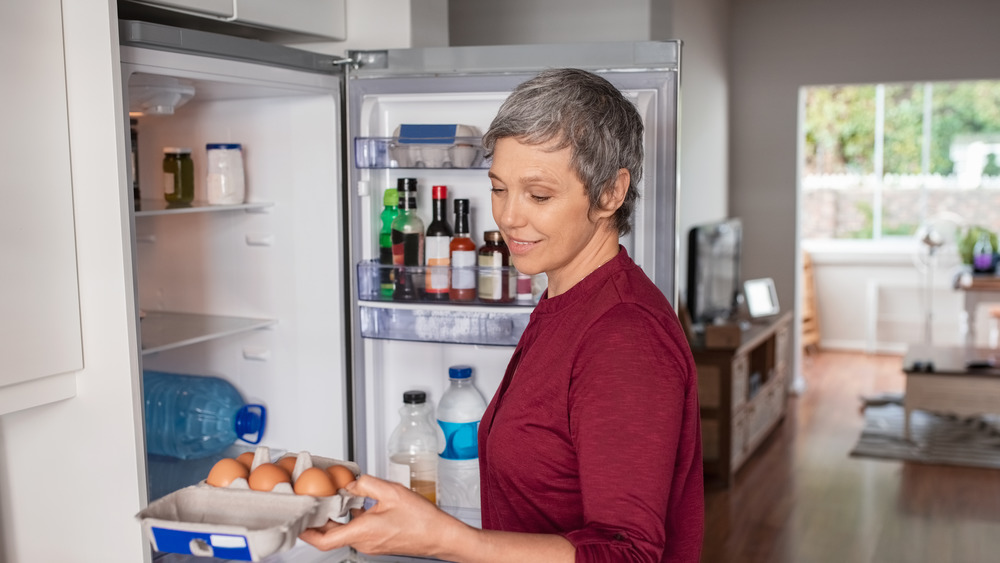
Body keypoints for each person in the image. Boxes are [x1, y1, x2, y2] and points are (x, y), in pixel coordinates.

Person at [300, 68, 704, 562]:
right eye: (498, 188)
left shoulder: (625, 338)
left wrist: (445, 539)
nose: (509, 217)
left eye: (538, 195)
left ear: (610, 194)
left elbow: (631, 555)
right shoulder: (565, 298)